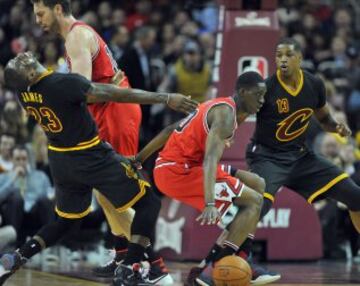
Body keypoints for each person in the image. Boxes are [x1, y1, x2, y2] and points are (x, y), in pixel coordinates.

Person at [0, 52, 197, 286]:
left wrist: (96, 89)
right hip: (90, 155)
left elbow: (77, 101)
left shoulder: (25, 93)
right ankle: (130, 267)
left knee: (65, 221)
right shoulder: (63, 83)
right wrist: (166, 98)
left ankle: (14, 259)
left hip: (62, 160)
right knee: (149, 202)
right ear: (31, 74)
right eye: (18, 63)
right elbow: (117, 95)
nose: (20, 56)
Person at [196, 37, 360, 285]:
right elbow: (238, 113)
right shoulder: (266, 88)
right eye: (278, 55)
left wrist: (336, 128)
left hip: (301, 156)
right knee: (256, 206)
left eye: (288, 55)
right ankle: (212, 263)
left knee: (354, 195)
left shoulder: (314, 84)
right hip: (267, 155)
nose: (282, 59)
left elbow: (324, 118)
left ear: (300, 58)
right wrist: (223, 137)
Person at [31, 0, 167, 281]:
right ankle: (122, 255)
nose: (37, 20)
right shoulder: (75, 37)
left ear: (57, 8)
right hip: (108, 110)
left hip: (115, 110)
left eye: (41, 13)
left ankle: (152, 265)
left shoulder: (76, 37)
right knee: (104, 190)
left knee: (118, 189)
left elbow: (82, 92)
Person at [134, 71, 267, 286]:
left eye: (264, 95)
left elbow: (170, 130)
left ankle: (236, 255)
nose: (262, 100)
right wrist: (210, 203)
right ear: (242, 92)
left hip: (177, 165)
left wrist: (139, 159)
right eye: (258, 94)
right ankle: (221, 264)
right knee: (253, 201)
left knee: (258, 184)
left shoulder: (220, 105)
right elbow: (209, 161)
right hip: (179, 171)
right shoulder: (226, 116)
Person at [0, 145, 54, 246]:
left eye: (24, 159)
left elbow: (50, 195)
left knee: (44, 200)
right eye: (17, 159)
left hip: (34, 212)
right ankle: (13, 245)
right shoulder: (4, 177)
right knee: (16, 197)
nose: (21, 162)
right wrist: (13, 178)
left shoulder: (40, 176)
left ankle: (50, 245)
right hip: (12, 214)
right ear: (11, 160)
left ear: (28, 160)